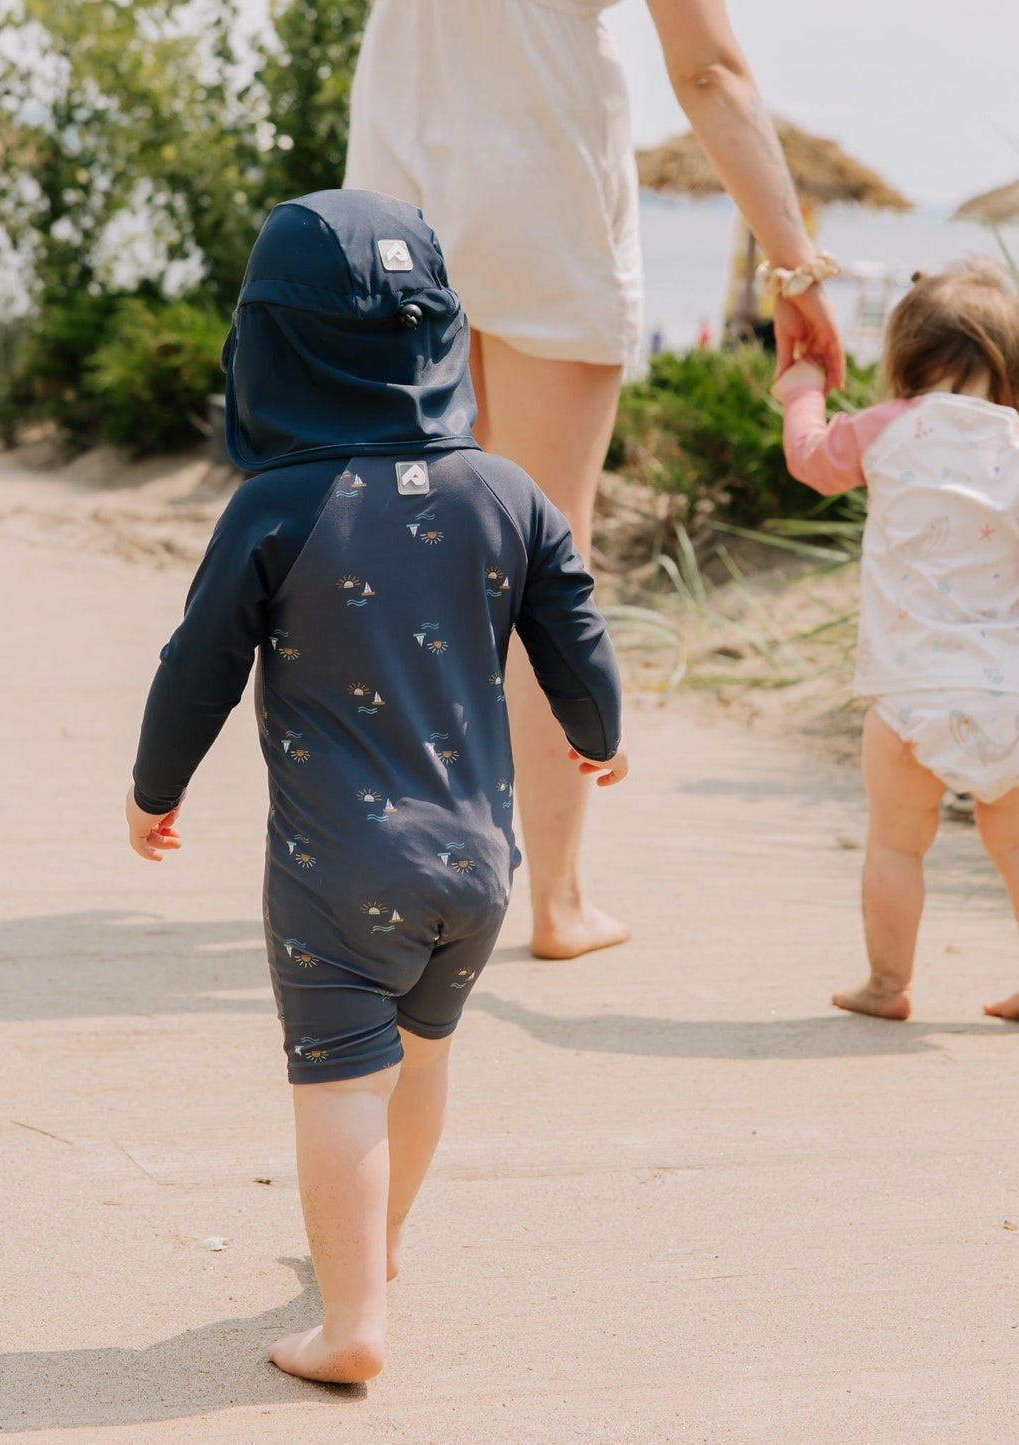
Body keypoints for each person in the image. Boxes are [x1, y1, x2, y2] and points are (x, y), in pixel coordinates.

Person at [123, 190, 627, 1384]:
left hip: (335, 872)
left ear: (272, 348)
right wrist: (597, 733)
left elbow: (196, 664)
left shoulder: (275, 507)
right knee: (424, 1058)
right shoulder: (507, 492)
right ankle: (379, 1249)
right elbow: (577, 632)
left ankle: (350, 1318)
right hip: (478, 866)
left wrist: (155, 787)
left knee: (339, 1081)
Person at [345, 0, 845, 960]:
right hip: (544, 194)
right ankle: (557, 901)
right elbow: (709, 72)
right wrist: (793, 264)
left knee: (412, 555)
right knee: (540, 559)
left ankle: (403, 873)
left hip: (392, 201)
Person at [770, 260, 1019, 1026]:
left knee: (896, 845)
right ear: (1017, 367)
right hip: (1009, 698)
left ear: (903, 359)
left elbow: (811, 461)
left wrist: (803, 394)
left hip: (906, 697)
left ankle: (887, 984)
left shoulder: (885, 428)